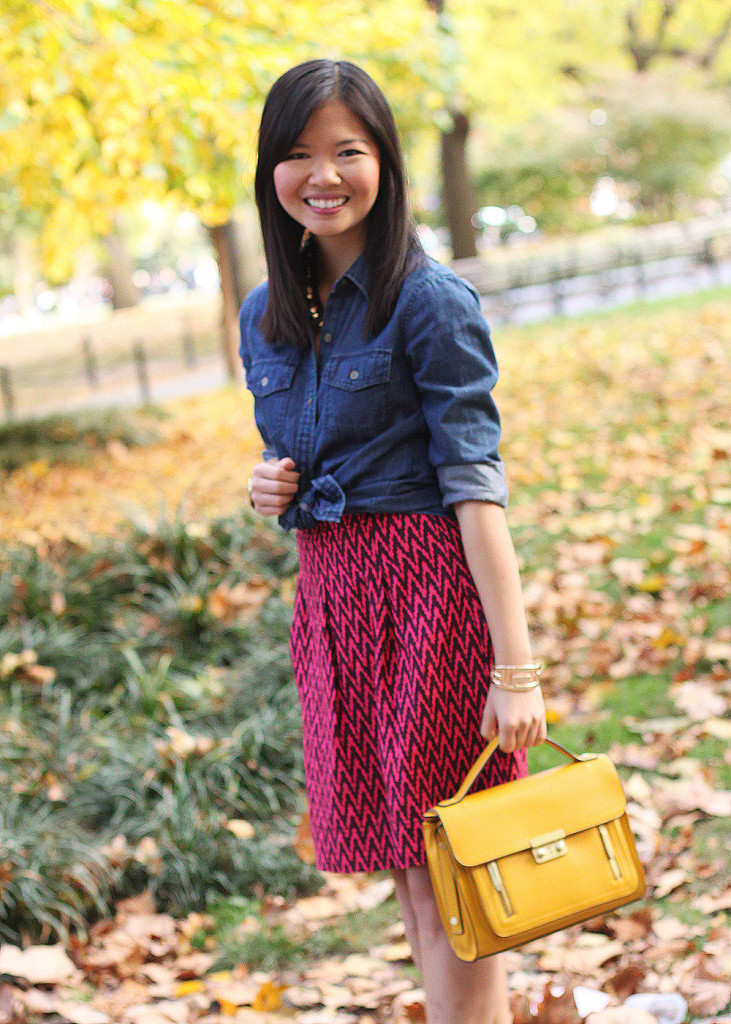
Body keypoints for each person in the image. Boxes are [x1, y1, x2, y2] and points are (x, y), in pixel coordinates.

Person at [239, 58, 547, 1024]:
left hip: (426, 598)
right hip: (333, 601)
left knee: (458, 872)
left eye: (347, 151)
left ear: (385, 161)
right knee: (411, 876)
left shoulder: (429, 299)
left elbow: (475, 487)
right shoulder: (265, 313)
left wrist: (516, 670)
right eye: (297, 154)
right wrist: (268, 482)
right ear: (270, 170)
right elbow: (303, 451)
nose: (322, 175)